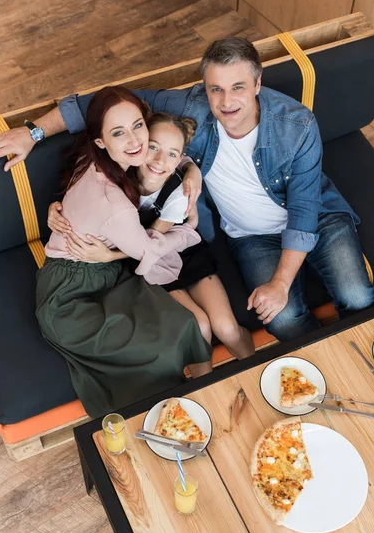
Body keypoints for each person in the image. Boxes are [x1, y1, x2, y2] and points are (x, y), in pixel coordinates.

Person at [0, 37, 374, 342]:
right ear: (204, 87)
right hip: (252, 237)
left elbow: (304, 212)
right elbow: (99, 105)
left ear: (257, 82)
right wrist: (32, 133)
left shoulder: (297, 124)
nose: (226, 101)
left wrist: (281, 283)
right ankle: (315, 374)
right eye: (215, 88)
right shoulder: (191, 106)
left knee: (357, 297)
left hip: (319, 219)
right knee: (284, 320)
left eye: (238, 87)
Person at [35, 86, 212, 418]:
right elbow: (150, 255)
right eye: (119, 132)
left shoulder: (107, 157)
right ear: (101, 141)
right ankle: (161, 419)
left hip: (103, 274)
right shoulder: (116, 203)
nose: (135, 141)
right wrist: (188, 231)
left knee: (182, 323)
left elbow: (165, 151)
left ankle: (199, 403)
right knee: (159, 346)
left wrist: (191, 169)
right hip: (72, 299)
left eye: (137, 126)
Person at [48, 111, 255, 376]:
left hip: (177, 250)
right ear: (141, 145)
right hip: (151, 266)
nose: (159, 160)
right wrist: (55, 209)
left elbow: (151, 242)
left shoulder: (178, 192)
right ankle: (205, 394)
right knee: (199, 327)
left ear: (180, 159)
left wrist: (109, 256)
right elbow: (85, 197)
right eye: (153, 148)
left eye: (171, 154)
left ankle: (256, 370)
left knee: (225, 327)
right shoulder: (116, 176)